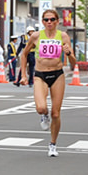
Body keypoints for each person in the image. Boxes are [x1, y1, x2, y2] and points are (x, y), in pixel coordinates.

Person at [19, 10, 75, 157]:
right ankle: (44, 115)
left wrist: (68, 53)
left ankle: (53, 144)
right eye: (46, 20)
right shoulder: (36, 36)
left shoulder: (63, 36)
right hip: (40, 74)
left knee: (56, 113)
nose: (49, 22)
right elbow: (24, 54)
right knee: (41, 107)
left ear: (57, 21)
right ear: (42, 21)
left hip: (57, 74)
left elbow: (74, 64)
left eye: (52, 19)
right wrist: (24, 75)